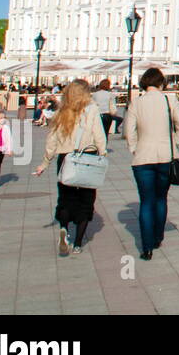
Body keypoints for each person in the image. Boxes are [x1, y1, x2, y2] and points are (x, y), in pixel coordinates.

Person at [33, 80, 106, 256]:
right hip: (86, 158)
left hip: (66, 159)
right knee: (85, 202)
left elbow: (51, 141)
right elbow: (99, 135)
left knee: (65, 198)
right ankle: (78, 243)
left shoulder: (60, 112)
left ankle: (64, 229)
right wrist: (102, 154)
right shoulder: (92, 110)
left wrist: (45, 162)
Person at [123, 68, 179, 261]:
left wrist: (134, 148)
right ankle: (158, 237)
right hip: (166, 156)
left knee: (146, 201)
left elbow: (129, 130)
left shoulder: (137, 102)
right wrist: (174, 143)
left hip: (143, 157)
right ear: (161, 83)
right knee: (161, 198)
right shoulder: (169, 100)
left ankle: (146, 247)